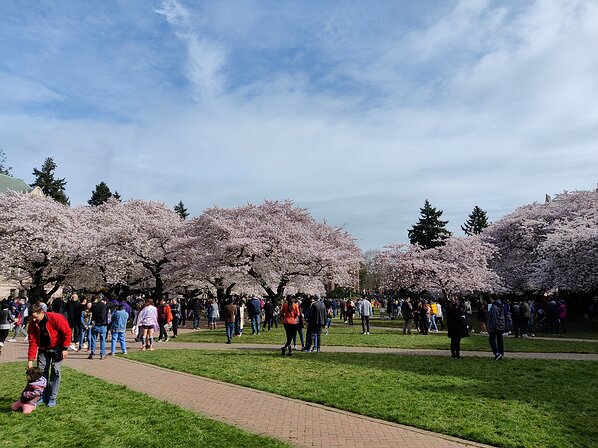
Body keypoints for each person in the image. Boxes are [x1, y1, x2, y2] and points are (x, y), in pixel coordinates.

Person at [27, 302, 72, 407]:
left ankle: (52, 398)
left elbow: (67, 332)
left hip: (58, 348)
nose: (34, 320)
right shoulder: (33, 325)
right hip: (43, 349)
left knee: (55, 371)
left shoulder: (56, 318)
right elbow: (32, 343)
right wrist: (30, 361)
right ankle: (42, 396)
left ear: (42, 312)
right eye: (32, 317)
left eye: (36, 317)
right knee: (41, 373)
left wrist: (65, 348)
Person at [88, 295, 109, 359]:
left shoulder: (94, 306)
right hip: (102, 324)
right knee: (102, 340)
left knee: (93, 339)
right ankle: (102, 354)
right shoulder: (105, 306)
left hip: (95, 324)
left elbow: (89, 310)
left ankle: (92, 353)